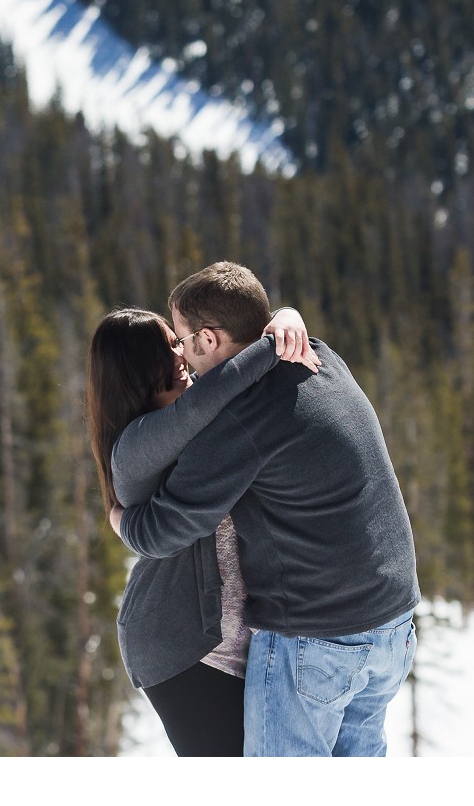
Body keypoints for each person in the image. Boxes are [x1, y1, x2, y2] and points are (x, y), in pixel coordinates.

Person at [113, 262, 419, 757]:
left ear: (209, 340)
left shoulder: (243, 419)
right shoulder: (319, 356)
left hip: (317, 640)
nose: (185, 363)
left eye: (185, 343)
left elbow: (163, 531)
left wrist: (118, 517)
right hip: (394, 625)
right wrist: (286, 316)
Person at [87, 304, 318, 756]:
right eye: (163, 349)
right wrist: (277, 337)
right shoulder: (140, 442)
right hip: (183, 649)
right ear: (131, 370)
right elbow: (224, 388)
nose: (180, 356)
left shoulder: (182, 417)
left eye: (177, 342)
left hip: (230, 642)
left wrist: (287, 314)